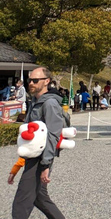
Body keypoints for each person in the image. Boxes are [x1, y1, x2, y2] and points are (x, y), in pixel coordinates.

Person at [12, 66, 67, 219]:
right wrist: (17, 165)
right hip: (33, 157)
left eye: (35, 80)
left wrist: (46, 165)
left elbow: (53, 135)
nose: (31, 83)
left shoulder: (49, 104)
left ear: (47, 81)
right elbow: (28, 138)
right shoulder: (35, 101)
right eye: (30, 80)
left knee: (21, 203)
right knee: (39, 198)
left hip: (40, 159)